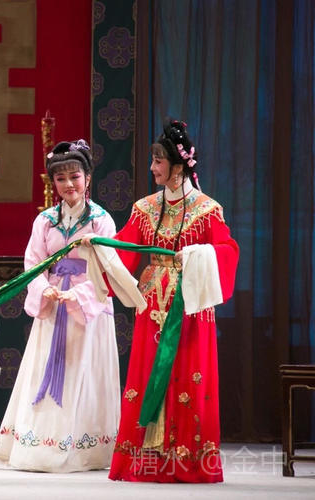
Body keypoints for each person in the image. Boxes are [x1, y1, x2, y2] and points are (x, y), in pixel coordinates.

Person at [104, 119, 239, 482]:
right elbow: (123, 249)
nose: (152, 168)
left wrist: (195, 255)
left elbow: (227, 250)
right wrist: (95, 248)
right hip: (153, 301)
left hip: (189, 303)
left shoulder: (207, 210)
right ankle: (146, 456)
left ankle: (185, 458)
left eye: (158, 161)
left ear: (178, 167)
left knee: (187, 373)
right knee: (148, 371)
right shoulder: (145, 208)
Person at [0, 140, 120, 472]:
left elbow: (108, 267)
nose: (68, 185)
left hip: (87, 305)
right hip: (53, 300)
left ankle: (84, 448)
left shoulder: (101, 220)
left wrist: (79, 295)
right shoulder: (46, 220)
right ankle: (40, 444)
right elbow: (33, 261)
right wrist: (43, 288)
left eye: (74, 177)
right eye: (60, 179)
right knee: (45, 370)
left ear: (88, 178)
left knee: (82, 371)